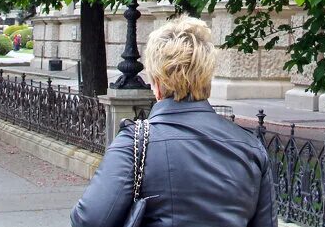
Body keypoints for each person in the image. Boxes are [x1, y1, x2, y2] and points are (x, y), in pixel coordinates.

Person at [70, 17, 276, 227]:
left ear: (157, 83)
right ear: (206, 78)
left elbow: (88, 220)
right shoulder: (250, 148)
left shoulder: (134, 144)